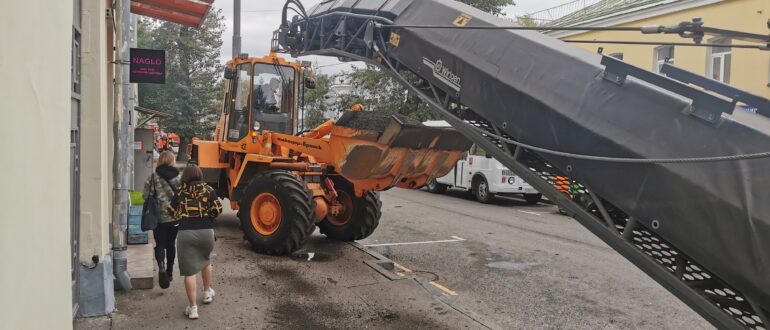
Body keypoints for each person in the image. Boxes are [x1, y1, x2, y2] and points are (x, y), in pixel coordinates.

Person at [171, 164, 223, 320]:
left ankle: (193, 308)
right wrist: (208, 217)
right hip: (206, 232)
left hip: (186, 232)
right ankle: (207, 293)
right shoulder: (208, 190)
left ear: (185, 176)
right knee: (205, 261)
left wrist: (183, 213)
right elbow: (218, 208)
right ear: (199, 175)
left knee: (189, 271)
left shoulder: (180, 192)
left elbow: (172, 211)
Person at [142, 151, 181, 289]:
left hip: (157, 218)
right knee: (171, 243)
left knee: (160, 244)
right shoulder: (178, 177)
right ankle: (170, 272)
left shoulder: (153, 177)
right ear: (172, 161)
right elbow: (183, 196)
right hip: (174, 217)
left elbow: (145, 196)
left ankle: (161, 267)